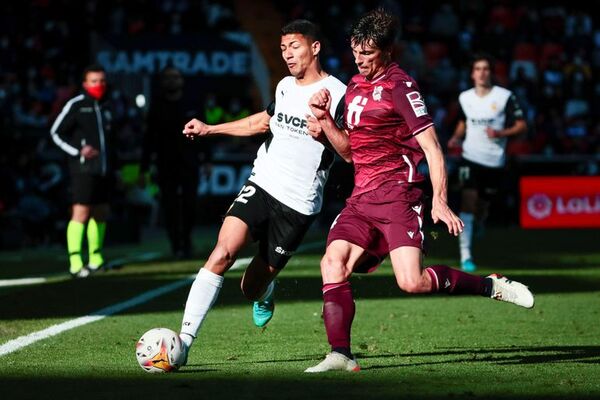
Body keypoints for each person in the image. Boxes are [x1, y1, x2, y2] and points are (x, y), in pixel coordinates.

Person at [303, 9, 534, 373]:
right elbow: (348, 151)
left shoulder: (401, 86)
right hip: (361, 198)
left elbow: (432, 147)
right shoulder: (354, 87)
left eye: (368, 54)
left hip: (398, 195)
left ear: (388, 51)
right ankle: (340, 353)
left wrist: (439, 201)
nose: (360, 60)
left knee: (412, 282)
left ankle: (489, 286)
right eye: (356, 52)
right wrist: (325, 121)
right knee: (332, 263)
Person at [176, 19, 347, 366]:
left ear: (315, 48)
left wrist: (326, 128)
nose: (287, 54)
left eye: (294, 46)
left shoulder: (341, 94)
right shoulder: (284, 86)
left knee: (249, 287)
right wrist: (210, 129)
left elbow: (349, 151)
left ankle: (265, 290)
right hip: (262, 183)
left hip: (299, 205)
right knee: (222, 252)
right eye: (283, 48)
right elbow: (262, 122)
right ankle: (183, 342)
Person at [448, 53, 527, 272]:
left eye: (486, 68)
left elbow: (522, 125)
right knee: (468, 202)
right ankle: (466, 256)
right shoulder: (465, 97)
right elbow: (464, 121)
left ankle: (480, 222)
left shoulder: (504, 97)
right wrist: (456, 136)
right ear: (472, 74)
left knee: (482, 206)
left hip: (494, 161)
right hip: (470, 157)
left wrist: (501, 132)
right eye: (478, 69)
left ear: (491, 72)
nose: (482, 73)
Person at [50, 64, 115, 277]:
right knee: (81, 212)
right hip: (82, 169)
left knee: (101, 212)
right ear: (85, 83)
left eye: (102, 80)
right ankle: (75, 263)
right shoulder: (76, 104)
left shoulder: (107, 105)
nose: (99, 85)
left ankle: (96, 259)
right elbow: (55, 132)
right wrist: (79, 150)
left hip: (104, 169)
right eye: (94, 81)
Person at [140, 66, 205, 259]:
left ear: (181, 80)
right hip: (165, 164)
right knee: (169, 206)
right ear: (162, 82)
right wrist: (144, 168)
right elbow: (148, 138)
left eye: (175, 77)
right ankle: (176, 244)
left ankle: (186, 241)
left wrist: (207, 160)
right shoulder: (157, 106)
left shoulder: (192, 102)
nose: (171, 81)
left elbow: (205, 131)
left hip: (189, 162)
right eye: (167, 77)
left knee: (190, 205)